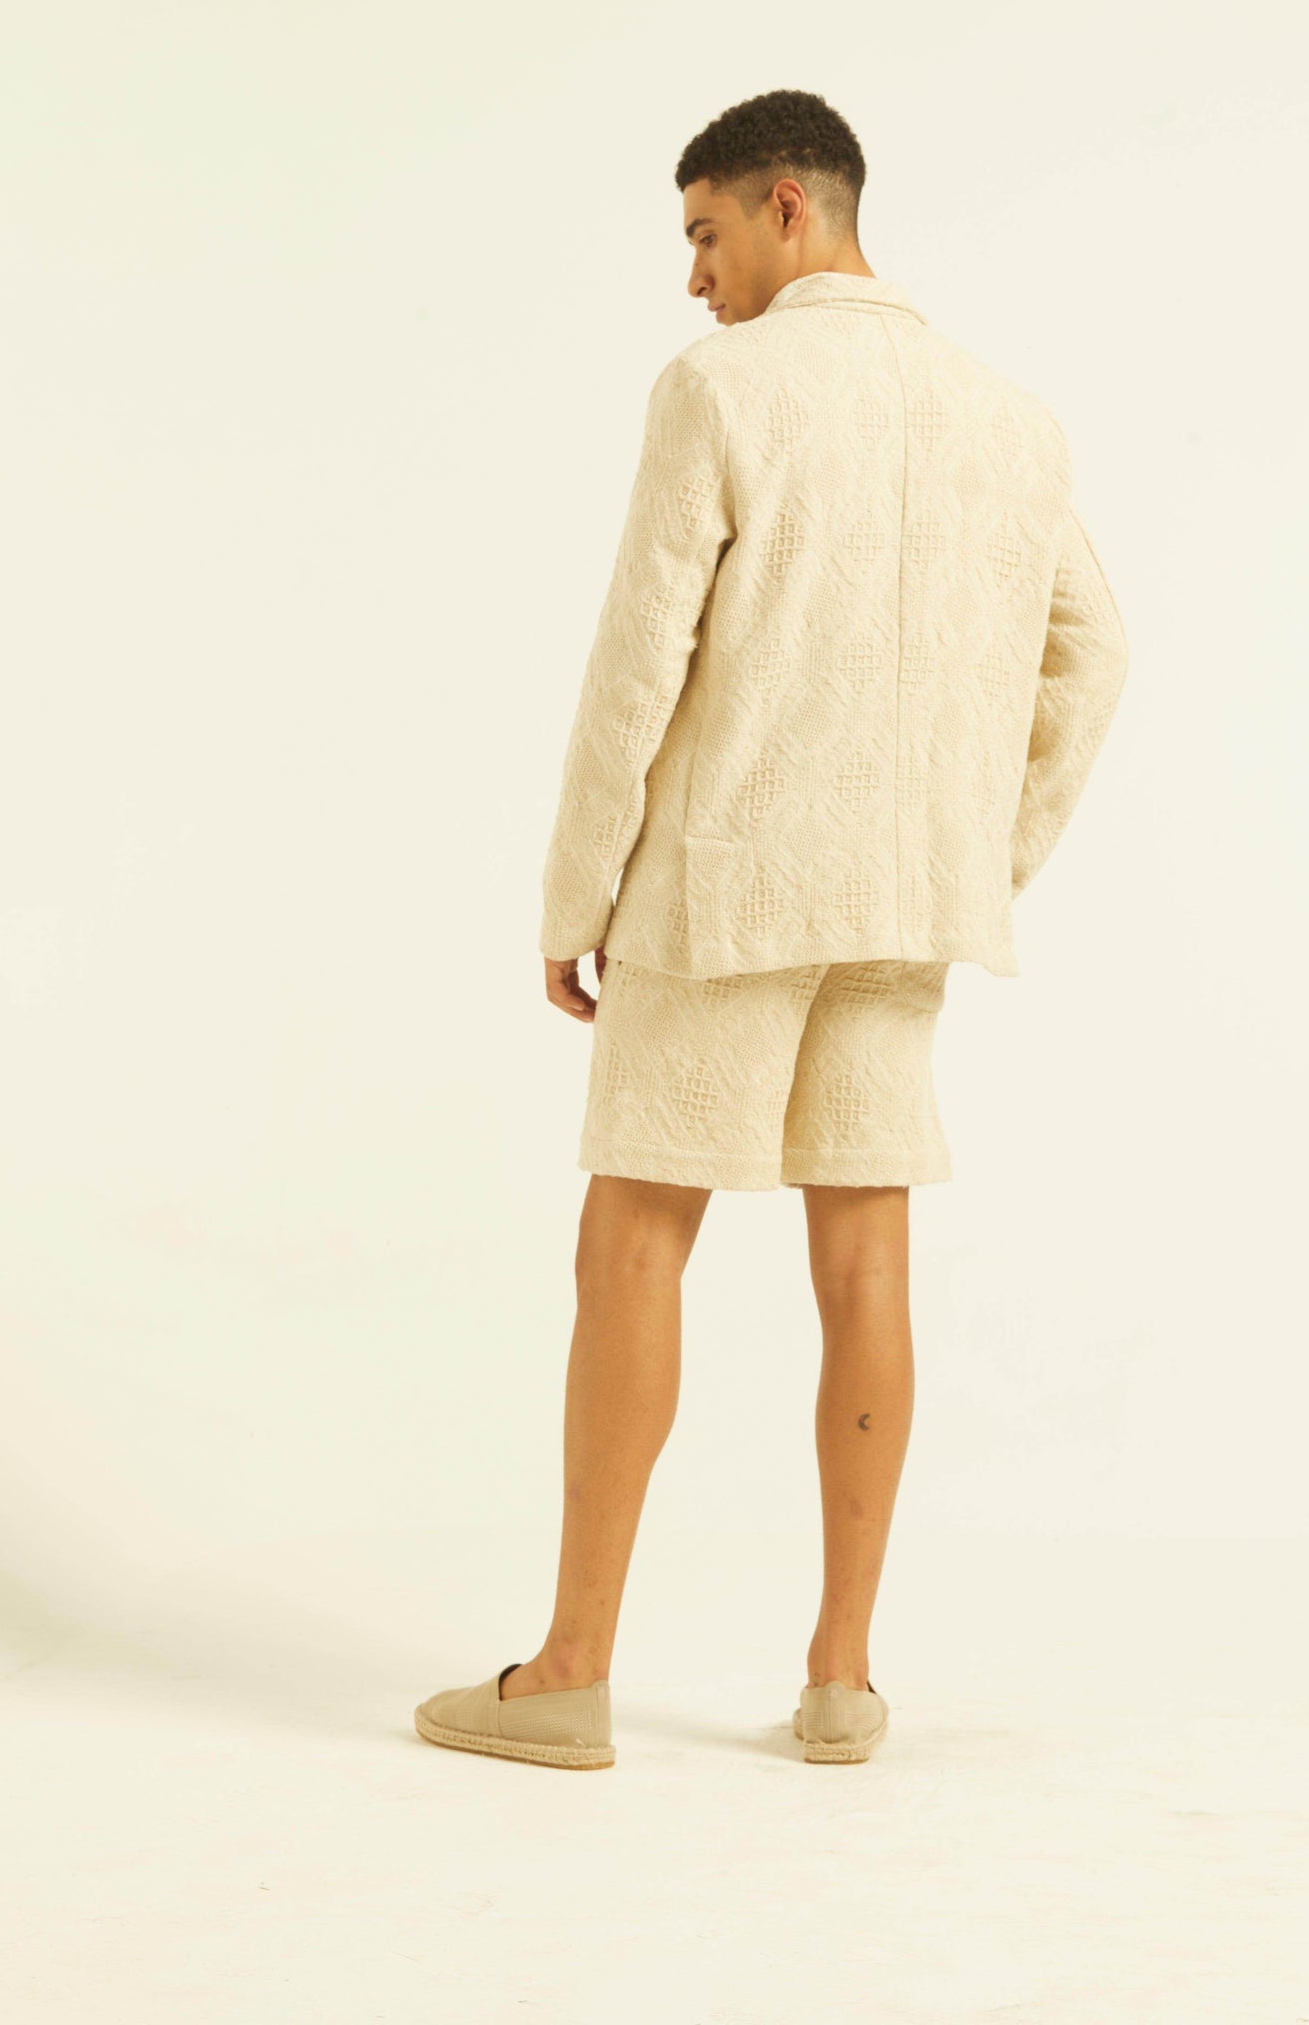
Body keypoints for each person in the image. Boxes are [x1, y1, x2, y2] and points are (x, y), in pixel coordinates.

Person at [414, 88, 1128, 1769]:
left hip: (723, 888)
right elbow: (1092, 656)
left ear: (788, 206)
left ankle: (569, 1674)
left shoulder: (719, 389)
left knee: (632, 1237)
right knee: (863, 1254)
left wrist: (575, 895)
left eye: (704, 234)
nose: (693, 277)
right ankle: (841, 1683)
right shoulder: (1008, 418)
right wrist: (978, 856)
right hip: (903, 901)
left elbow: (636, 663)